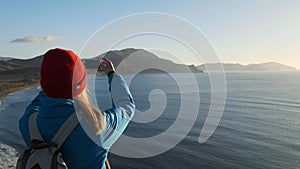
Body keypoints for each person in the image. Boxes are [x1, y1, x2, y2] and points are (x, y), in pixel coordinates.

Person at [19, 48, 135, 169]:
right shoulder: (97, 127)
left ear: (44, 84)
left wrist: (53, 81)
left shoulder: (27, 123)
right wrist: (112, 74)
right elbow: (126, 106)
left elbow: (39, 100)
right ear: (81, 85)